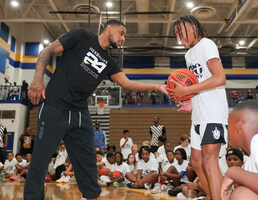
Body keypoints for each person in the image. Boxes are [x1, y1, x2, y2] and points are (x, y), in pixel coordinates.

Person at [25, 19, 167, 200]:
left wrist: (156, 88)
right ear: (109, 28)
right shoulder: (82, 36)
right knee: (40, 159)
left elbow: (127, 83)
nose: (123, 39)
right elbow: (48, 50)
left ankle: (91, 196)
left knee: (87, 162)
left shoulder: (109, 62)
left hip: (79, 113)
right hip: (55, 105)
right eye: (122, 33)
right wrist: (37, 79)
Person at [168, 15, 228, 200]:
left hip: (213, 112)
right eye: (176, 34)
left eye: (182, 31)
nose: (179, 37)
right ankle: (214, 195)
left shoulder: (207, 44)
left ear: (194, 27)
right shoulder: (188, 54)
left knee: (210, 161)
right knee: (195, 161)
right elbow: (199, 82)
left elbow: (220, 78)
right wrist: (189, 101)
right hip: (199, 114)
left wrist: (186, 89)